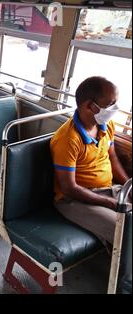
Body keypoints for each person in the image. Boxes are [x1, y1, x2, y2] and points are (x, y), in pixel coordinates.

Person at [51, 76, 131, 247]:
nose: (115, 108)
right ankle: (122, 273)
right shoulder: (68, 139)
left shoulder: (106, 125)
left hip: (108, 190)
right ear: (90, 106)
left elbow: (113, 158)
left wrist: (128, 185)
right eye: (111, 104)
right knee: (126, 232)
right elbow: (69, 188)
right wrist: (109, 203)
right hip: (74, 199)